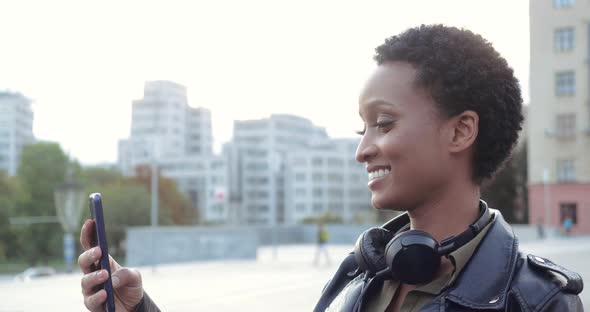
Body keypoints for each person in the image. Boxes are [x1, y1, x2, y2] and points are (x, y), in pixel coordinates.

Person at [78, 25, 584, 312]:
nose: (363, 150)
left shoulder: (540, 303)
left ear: (460, 131)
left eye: (383, 123)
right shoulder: (361, 275)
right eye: (361, 128)